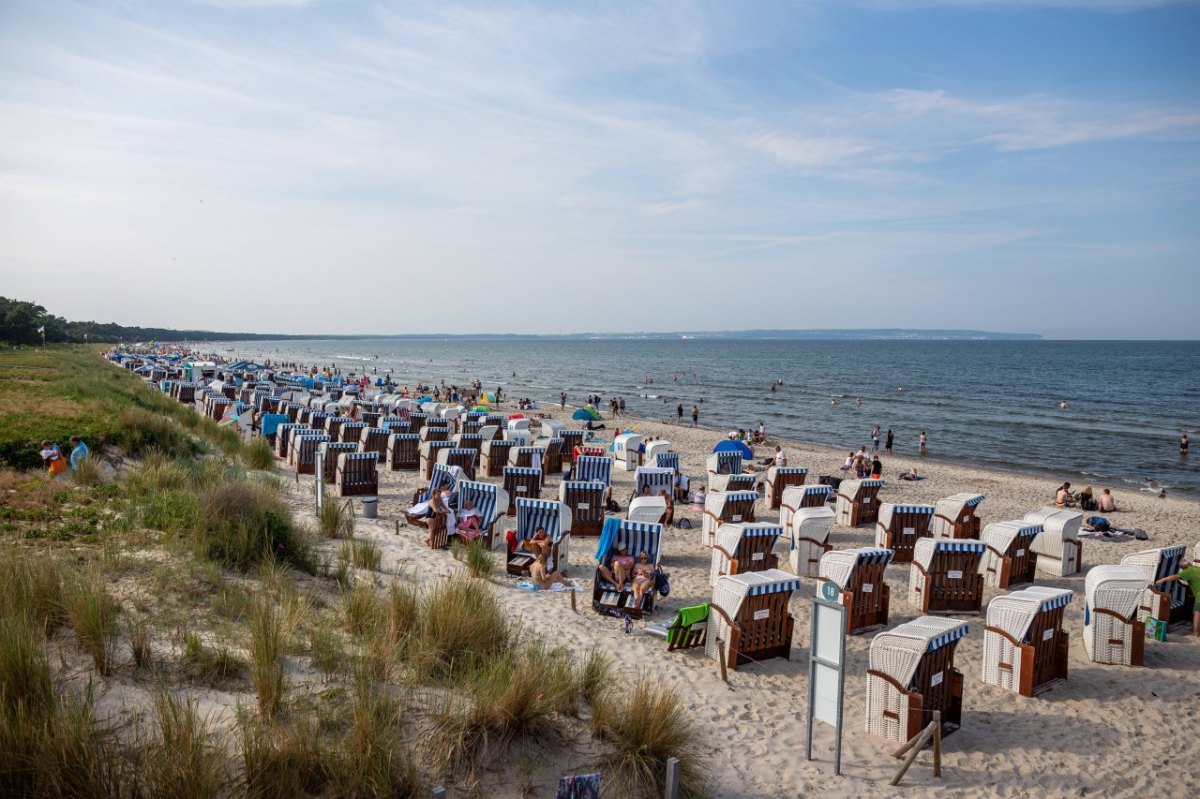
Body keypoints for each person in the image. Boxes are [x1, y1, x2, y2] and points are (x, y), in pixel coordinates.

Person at [1154, 559, 1200, 637]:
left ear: (1183, 567)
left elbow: (1175, 577)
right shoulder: (1197, 568)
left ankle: (1195, 633)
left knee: (1197, 613)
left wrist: (1162, 580)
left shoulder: (1188, 571)